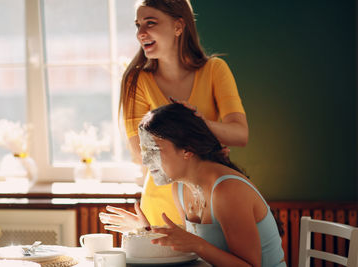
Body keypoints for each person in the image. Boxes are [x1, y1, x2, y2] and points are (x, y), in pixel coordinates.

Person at [102, 103, 285, 267]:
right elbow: (189, 247)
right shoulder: (180, 187)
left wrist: (197, 245)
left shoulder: (226, 191)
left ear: (187, 150)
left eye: (153, 150)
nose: (146, 161)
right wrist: (146, 232)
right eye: (144, 152)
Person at [118, 0, 248, 226]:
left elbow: (240, 134)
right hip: (160, 203)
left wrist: (198, 123)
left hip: (209, 198)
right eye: (138, 25)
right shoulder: (136, 80)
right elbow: (141, 153)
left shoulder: (215, 70)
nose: (141, 33)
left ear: (178, 27)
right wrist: (207, 144)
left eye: (150, 23)